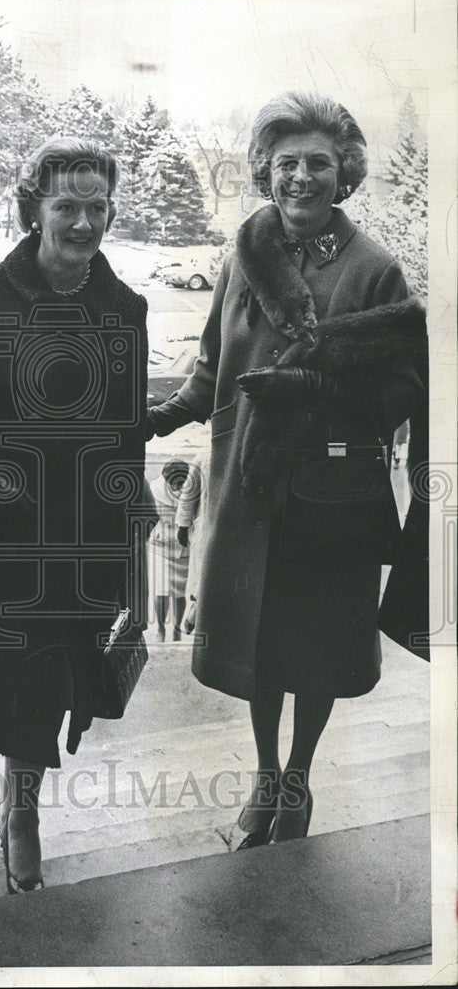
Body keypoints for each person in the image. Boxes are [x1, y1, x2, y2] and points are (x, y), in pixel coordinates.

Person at [146, 92, 427, 846]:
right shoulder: (244, 256)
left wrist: (312, 388)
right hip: (246, 490)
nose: (301, 177)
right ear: (266, 173)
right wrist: (151, 420)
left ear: (345, 176)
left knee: (318, 644)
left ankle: (298, 781)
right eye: (287, 163)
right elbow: (208, 372)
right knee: (261, 643)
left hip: (330, 496)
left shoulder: (375, 270)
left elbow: (404, 390)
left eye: (319, 165)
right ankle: (265, 777)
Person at [0, 137, 149, 892]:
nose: (85, 222)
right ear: (34, 210)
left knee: (58, 678)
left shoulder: (125, 308)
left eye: (98, 205)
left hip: (86, 530)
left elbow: (125, 433)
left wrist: (129, 531)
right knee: (6, 678)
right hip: (2, 536)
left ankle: (20, 812)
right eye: (68, 206)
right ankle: (13, 808)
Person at [147, 459, 190, 641]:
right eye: (173, 481)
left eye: (181, 482)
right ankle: (160, 628)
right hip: (160, 544)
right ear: (166, 478)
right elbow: (147, 514)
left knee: (179, 591)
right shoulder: (154, 488)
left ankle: (177, 628)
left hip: (182, 546)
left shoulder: (191, 489)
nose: (176, 486)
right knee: (161, 589)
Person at [175, 437, 211, 635]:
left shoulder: (204, 455)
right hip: (207, 525)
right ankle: (196, 610)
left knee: (206, 570)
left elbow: (188, 494)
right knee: (203, 570)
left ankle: (196, 611)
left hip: (214, 526)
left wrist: (183, 525)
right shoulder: (204, 455)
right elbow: (189, 493)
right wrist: (183, 524)